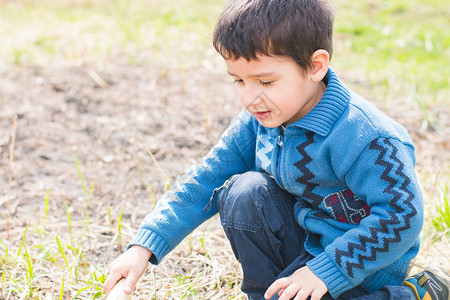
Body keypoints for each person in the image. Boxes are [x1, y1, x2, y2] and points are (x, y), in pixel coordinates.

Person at [104, 0, 449, 299]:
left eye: (266, 82)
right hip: (302, 249)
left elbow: (402, 217)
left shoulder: (367, 137)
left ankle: (415, 293)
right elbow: (205, 178)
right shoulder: (261, 120)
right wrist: (144, 246)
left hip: (359, 268)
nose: (250, 97)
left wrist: (326, 270)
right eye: (239, 80)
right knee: (244, 191)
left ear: (316, 66)